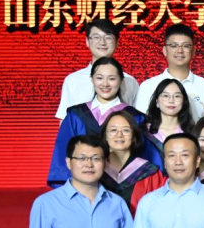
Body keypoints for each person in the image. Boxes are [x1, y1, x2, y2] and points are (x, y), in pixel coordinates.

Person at [49, 57, 145, 187]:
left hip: (125, 187)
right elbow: (63, 152)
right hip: (83, 186)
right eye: (99, 78)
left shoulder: (135, 117)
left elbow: (142, 158)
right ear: (92, 79)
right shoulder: (75, 115)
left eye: (112, 79)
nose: (105, 84)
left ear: (121, 81)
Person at [56, 19, 139, 120]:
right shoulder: (73, 80)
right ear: (87, 41)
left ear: (117, 42)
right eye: (96, 37)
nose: (102, 42)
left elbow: (137, 119)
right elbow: (65, 120)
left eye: (108, 37)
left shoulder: (130, 81)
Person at [134, 24, 204, 122]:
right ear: (164, 50)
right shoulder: (148, 86)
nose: (180, 51)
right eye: (173, 46)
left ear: (193, 51)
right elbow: (141, 124)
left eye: (186, 46)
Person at [142, 78, 195, 163]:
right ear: (157, 102)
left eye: (177, 96)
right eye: (166, 96)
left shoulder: (192, 132)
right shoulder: (144, 131)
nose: (171, 101)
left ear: (184, 102)